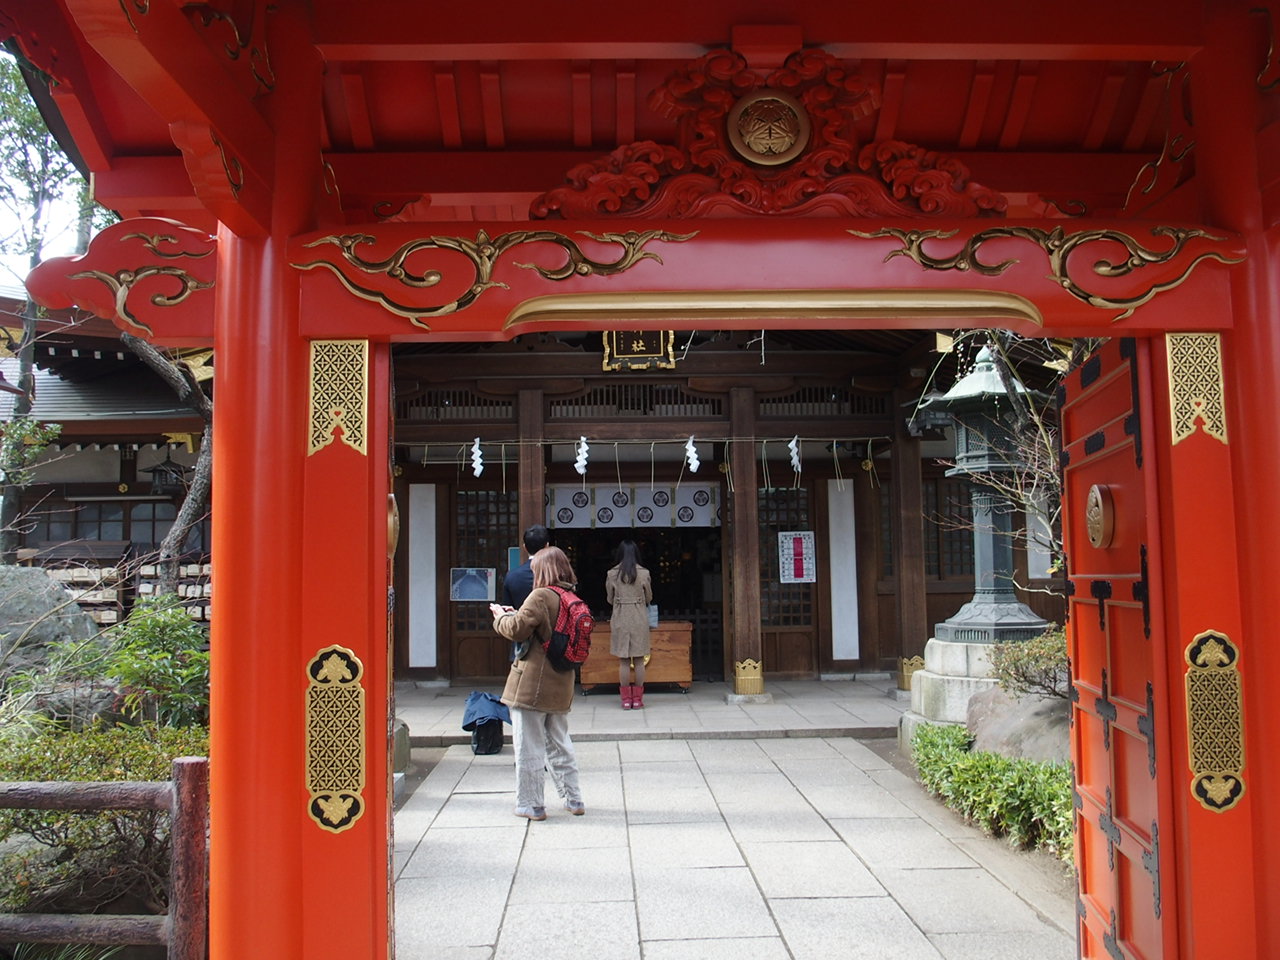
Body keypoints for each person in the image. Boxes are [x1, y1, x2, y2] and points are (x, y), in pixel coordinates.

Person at [489, 546, 584, 821]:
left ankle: (531, 804)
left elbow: (517, 629)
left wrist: (500, 618)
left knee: (528, 746)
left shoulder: (540, 595)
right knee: (559, 743)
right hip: (561, 682)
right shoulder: (570, 596)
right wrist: (515, 614)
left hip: (532, 685)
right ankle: (573, 798)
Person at [606, 539, 653, 710]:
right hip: (638, 617)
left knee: (624, 661)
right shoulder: (644, 573)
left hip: (620, 617)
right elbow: (649, 597)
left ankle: (626, 700)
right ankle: (638, 700)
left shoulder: (612, 574)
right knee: (639, 660)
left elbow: (609, 599)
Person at [501, 524, 548, 661]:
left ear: (524, 547)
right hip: (552, 643)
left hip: (522, 643)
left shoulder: (512, 576)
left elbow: (507, 610)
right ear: (547, 546)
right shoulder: (558, 576)